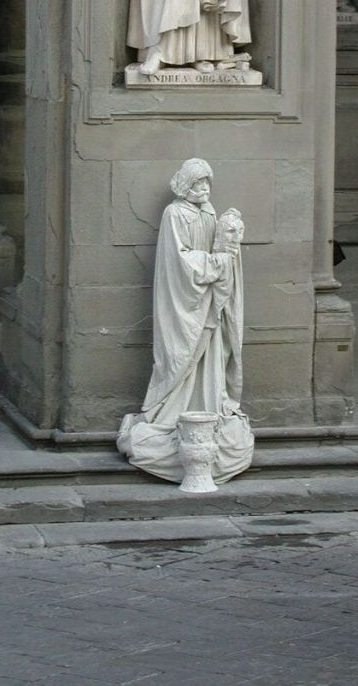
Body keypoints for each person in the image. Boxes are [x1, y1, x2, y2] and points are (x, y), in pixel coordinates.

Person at [117, 159, 253, 484]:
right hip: (184, 304)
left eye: (207, 184)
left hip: (208, 301)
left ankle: (207, 412)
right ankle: (170, 415)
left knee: (210, 361)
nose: (204, 190)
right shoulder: (174, 214)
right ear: (184, 185)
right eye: (198, 185)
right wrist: (215, 263)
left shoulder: (208, 211)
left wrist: (227, 252)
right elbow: (178, 260)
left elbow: (220, 247)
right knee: (180, 358)